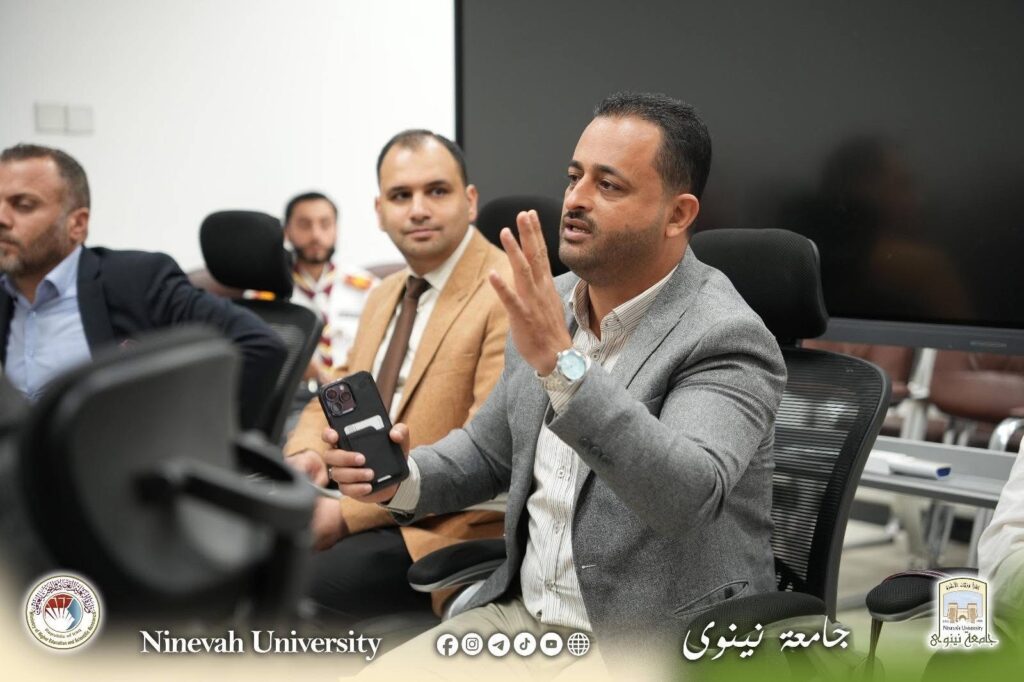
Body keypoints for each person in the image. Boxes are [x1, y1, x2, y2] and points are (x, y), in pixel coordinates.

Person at [327, 92, 787, 676]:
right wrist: (399, 477)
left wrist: (563, 365)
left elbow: (686, 497)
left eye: (608, 185)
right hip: (523, 620)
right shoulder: (552, 302)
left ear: (678, 214)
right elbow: (486, 452)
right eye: (574, 177)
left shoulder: (724, 334)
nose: (575, 199)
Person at [285, 130, 511, 621]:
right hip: (351, 493)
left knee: (291, 585)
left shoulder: (507, 289)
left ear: (470, 201)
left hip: (443, 522)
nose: (418, 210)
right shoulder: (384, 293)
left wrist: (344, 515)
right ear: (380, 210)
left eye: (437, 191)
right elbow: (334, 391)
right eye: (401, 196)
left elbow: (486, 450)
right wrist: (306, 457)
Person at [0, 144, 285, 430]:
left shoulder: (137, 280)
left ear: (77, 224)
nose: (2, 218)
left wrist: (189, 442)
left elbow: (259, 345)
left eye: (23, 205)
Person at [283, 191, 376, 385]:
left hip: (355, 389)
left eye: (325, 224)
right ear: (287, 231)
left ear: (336, 230)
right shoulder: (268, 295)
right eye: (304, 225)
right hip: (294, 393)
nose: (316, 235)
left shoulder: (368, 288)